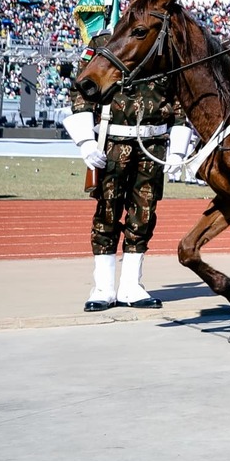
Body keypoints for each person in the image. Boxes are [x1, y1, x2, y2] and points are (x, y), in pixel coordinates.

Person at [62, 47, 179, 310]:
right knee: (107, 212)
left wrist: (178, 149)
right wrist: (85, 141)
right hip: (112, 141)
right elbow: (82, 89)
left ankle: (131, 286)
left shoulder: (166, 49)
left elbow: (180, 95)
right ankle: (103, 287)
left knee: (143, 215)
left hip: (153, 144)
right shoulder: (104, 43)